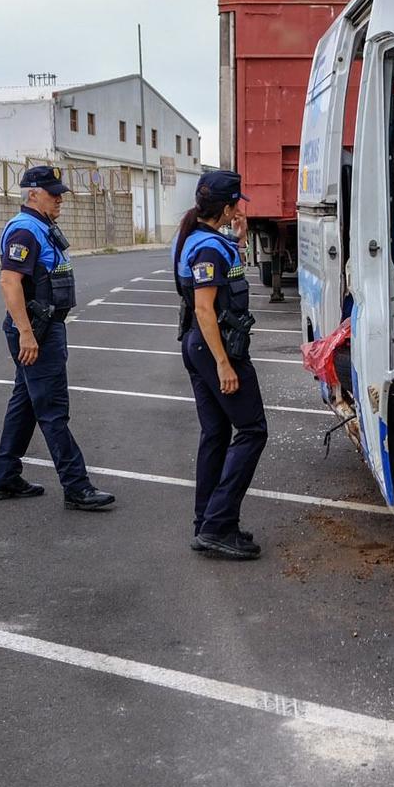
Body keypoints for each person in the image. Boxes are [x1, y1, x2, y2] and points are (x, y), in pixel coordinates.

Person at [0, 165, 116, 511]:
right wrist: (27, 334)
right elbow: (9, 282)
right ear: (32, 194)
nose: (59, 198)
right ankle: (77, 487)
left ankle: (5, 477)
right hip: (37, 333)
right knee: (52, 410)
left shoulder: (41, 226)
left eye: (60, 192)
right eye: (52, 193)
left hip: (43, 329)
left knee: (26, 404)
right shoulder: (26, 231)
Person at [174, 170, 267, 560]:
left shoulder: (201, 238)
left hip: (198, 346)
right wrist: (224, 364)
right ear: (226, 207)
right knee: (252, 430)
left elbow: (224, 278)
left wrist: (241, 241)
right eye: (235, 207)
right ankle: (216, 524)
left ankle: (209, 521)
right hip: (214, 348)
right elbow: (205, 309)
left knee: (215, 433)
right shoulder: (209, 248)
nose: (237, 212)